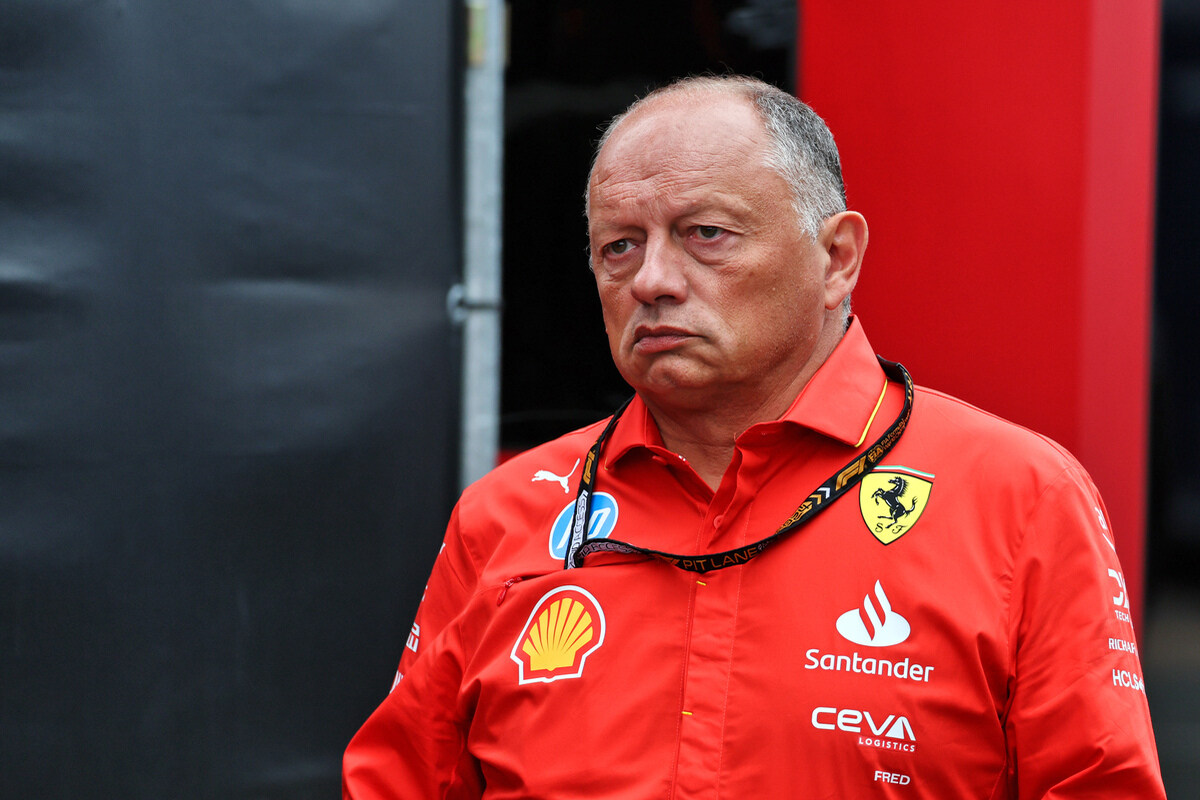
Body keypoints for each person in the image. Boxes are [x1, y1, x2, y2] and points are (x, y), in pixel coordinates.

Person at [343, 75, 1165, 798]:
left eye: (707, 235)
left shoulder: (1018, 497)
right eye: (620, 247)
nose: (654, 282)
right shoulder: (507, 517)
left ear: (837, 256)